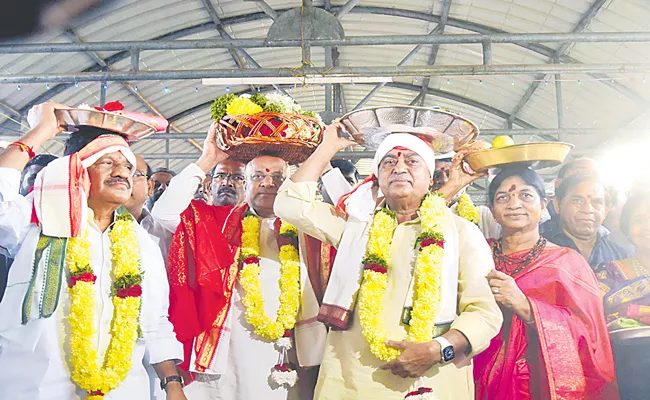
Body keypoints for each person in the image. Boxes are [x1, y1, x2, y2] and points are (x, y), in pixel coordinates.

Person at [275, 122, 502, 399]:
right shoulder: (353, 228)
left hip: (430, 381)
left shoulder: (461, 232)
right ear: (378, 177)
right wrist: (327, 148)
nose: (399, 167)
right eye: (389, 162)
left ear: (430, 178)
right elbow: (289, 205)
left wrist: (438, 349)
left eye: (412, 160)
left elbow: (485, 313)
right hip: (350, 382)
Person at [0, 102, 185, 400]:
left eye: (128, 166)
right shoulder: (38, 220)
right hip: (36, 388)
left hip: (123, 390)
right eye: (106, 162)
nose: (122, 173)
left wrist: (172, 383)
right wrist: (42, 132)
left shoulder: (141, 244)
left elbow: (156, 323)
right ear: (77, 171)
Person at [152, 123, 320, 400]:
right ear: (247, 182)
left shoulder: (307, 229)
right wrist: (208, 159)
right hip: (224, 357)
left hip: (283, 355)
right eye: (257, 176)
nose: (268, 183)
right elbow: (164, 213)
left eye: (278, 177)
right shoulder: (217, 223)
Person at [474, 166, 618, 400]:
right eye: (503, 197)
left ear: (543, 206)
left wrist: (526, 307)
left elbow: (592, 337)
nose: (514, 204)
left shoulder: (567, 262)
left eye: (526, 195)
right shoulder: (478, 254)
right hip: (478, 378)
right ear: (491, 209)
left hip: (538, 385)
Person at [596, 190, 650, 400]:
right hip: (629, 372)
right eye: (639, 220)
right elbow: (591, 324)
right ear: (627, 228)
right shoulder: (607, 273)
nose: (647, 225)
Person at [545, 174, 630, 269]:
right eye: (577, 201)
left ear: (606, 210)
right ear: (557, 205)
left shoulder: (621, 256)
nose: (588, 209)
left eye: (597, 202)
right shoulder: (537, 246)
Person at [541, 158, 597, 237]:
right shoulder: (537, 221)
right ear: (558, 183)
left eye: (593, 176)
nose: (587, 181)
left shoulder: (603, 233)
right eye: (580, 174)